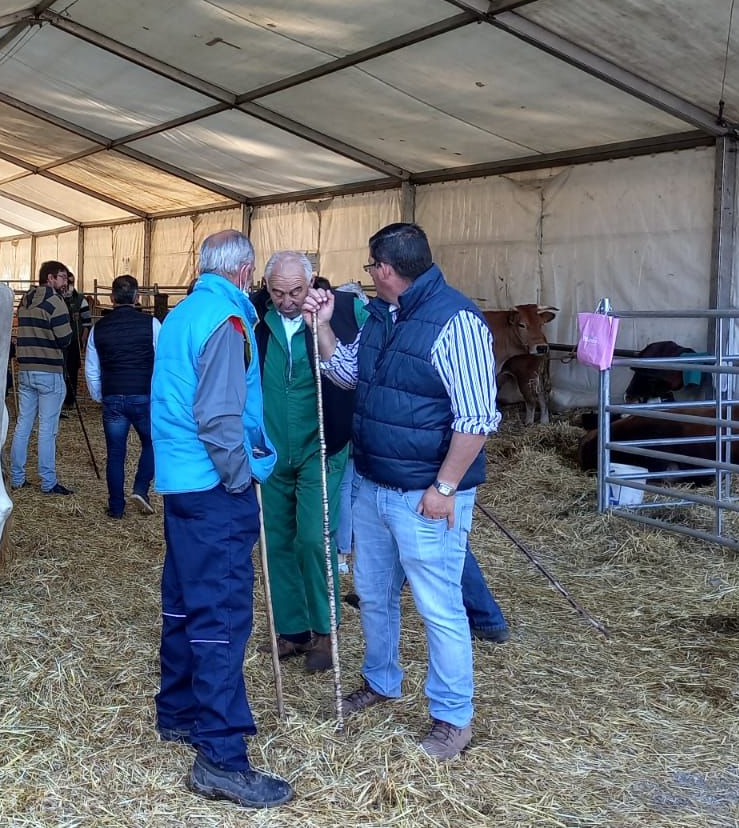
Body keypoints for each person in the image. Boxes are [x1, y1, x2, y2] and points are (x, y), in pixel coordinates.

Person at [306, 222, 500, 762]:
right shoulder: (379, 316)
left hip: (424, 494)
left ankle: (452, 717)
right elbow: (346, 374)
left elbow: (479, 417)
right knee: (373, 590)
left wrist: (445, 487)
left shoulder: (455, 320)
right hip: (372, 482)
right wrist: (324, 327)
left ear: (385, 270)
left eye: (370, 267)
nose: (368, 276)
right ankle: (381, 680)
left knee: (439, 605)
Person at [152, 230, 290, 809]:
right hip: (213, 485)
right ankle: (221, 757)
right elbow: (217, 417)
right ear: (246, 270)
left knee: (184, 600)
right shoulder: (228, 323)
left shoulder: (186, 312)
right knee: (223, 615)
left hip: (180, 481)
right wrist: (241, 476)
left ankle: (178, 712)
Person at [251, 252, 365, 675]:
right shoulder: (256, 322)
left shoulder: (343, 312)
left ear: (311, 281)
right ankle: (292, 628)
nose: (287, 300)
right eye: (278, 292)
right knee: (276, 540)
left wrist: (326, 326)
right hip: (273, 451)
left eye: (296, 291)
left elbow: (358, 366)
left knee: (314, 541)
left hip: (322, 446)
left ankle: (325, 628)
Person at [84, 275, 159, 519]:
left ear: (112, 298)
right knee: (153, 443)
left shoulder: (99, 328)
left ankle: (116, 507)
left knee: (116, 453)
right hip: (143, 395)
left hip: (113, 396)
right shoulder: (152, 324)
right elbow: (162, 361)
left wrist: (99, 395)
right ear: (138, 297)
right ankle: (140, 488)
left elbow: (91, 368)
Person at [10, 261, 75, 495]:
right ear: (50, 278)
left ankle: (17, 477)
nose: (65, 281)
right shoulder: (55, 303)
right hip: (49, 370)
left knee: (23, 424)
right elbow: (65, 339)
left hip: (26, 368)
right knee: (48, 429)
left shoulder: (26, 300)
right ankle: (48, 481)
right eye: (61, 277)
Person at [59, 269, 93, 414]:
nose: (67, 285)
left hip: (73, 340)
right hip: (58, 341)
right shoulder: (56, 298)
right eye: (66, 281)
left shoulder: (80, 300)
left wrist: (83, 337)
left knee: (72, 369)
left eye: (70, 282)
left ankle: (70, 400)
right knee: (59, 369)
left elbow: (87, 322)